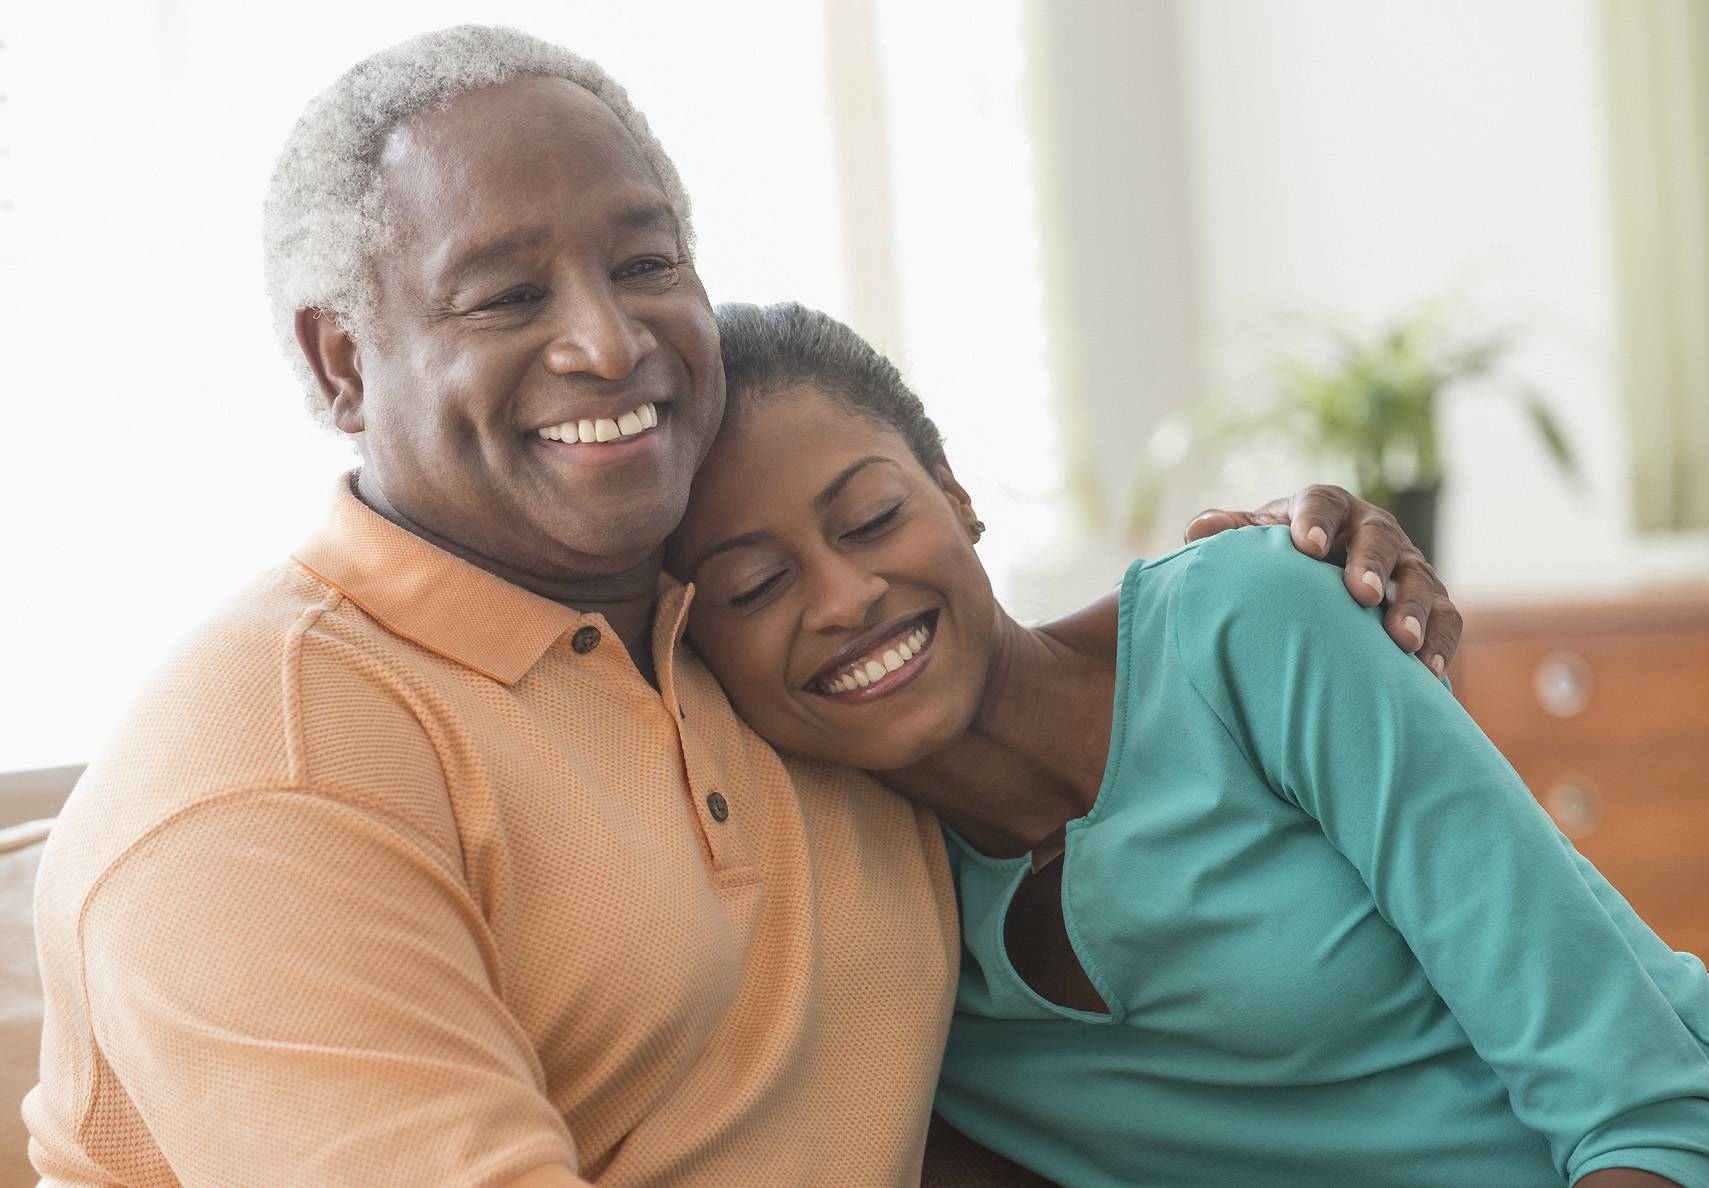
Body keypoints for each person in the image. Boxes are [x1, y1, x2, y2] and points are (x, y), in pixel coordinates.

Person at [22, 26, 1462, 1188]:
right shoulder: (261, 777)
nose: (606, 340)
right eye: (502, 297)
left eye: (646, 263)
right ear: (340, 366)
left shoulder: (763, 637)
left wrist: (1281, 597)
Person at [666, 301, 1709, 1188]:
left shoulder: (1257, 623)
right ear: (697, 651)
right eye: (757, 585)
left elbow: (1651, 1118)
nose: (845, 596)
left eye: (870, 519)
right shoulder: (865, 914)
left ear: (956, 495)